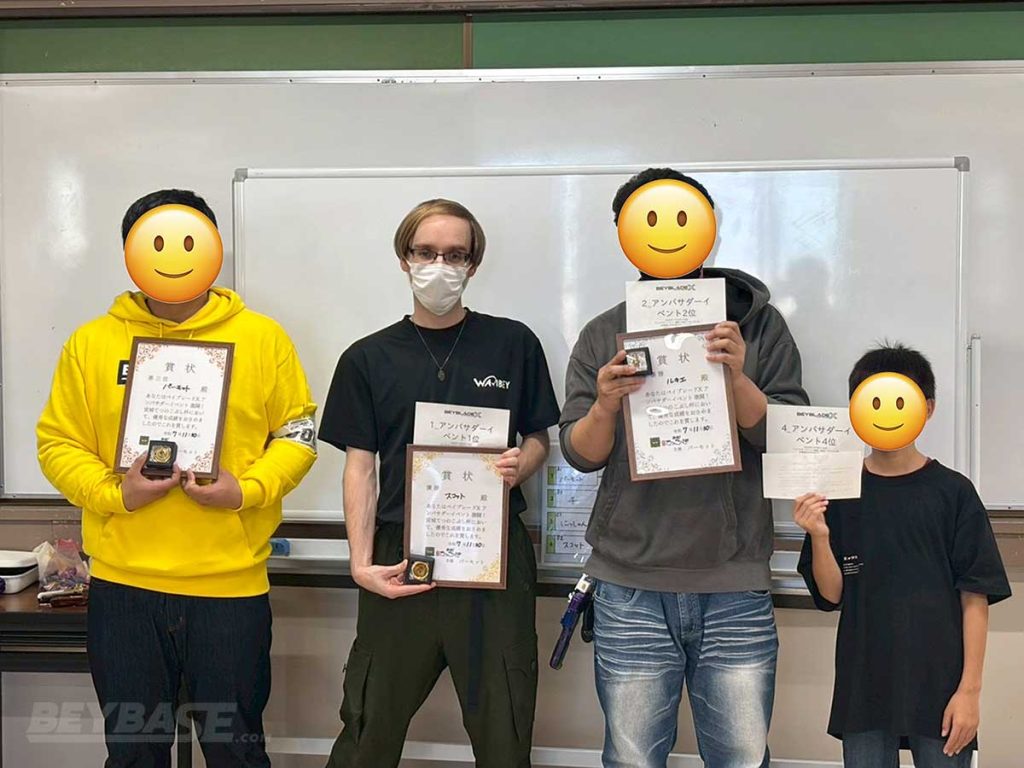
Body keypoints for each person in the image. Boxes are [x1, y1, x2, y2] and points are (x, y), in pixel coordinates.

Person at [37, 188, 318, 767]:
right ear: (131, 254)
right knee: (134, 752)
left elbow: (298, 435)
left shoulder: (263, 338)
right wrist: (117, 494)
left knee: (236, 751)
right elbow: (58, 443)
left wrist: (245, 491)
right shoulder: (91, 343)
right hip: (123, 589)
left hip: (230, 589)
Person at [560, 167, 809, 768]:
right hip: (629, 585)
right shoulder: (603, 333)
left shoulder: (758, 326)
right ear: (623, 232)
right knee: (632, 759)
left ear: (709, 229)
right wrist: (606, 405)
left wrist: (737, 378)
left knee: (741, 758)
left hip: (734, 583)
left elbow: (788, 439)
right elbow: (579, 453)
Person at [320, 198, 561, 768]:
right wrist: (360, 564)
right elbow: (360, 467)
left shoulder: (513, 344)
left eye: (455, 255)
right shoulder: (367, 358)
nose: (440, 266)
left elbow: (539, 439)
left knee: (504, 731)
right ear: (404, 258)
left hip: (492, 557)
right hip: (400, 557)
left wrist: (522, 464)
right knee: (369, 728)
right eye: (426, 252)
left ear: (473, 265)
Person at [795, 343, 1011, 767]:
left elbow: (975, 596)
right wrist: (819, 535)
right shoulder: (838, 492)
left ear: (926, 408)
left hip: (941, 685)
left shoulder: (954, 492)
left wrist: (969, 692)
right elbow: (832, 594)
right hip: (864, 685)